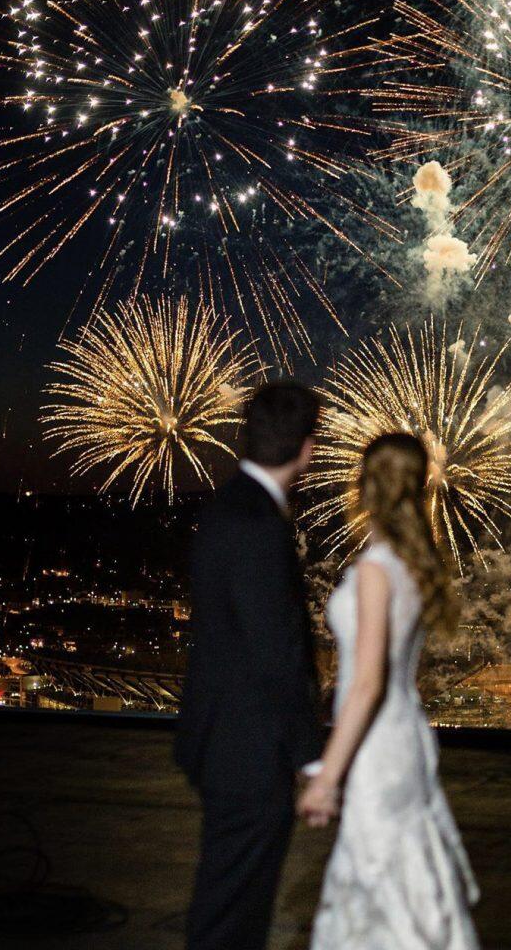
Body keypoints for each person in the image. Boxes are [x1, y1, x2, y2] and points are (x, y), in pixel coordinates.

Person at [298, 432, 480, 948]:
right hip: (408, 737)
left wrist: (326, 776)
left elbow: (366, 684)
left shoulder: (378, 571)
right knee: (402, 876)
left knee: (376, 875)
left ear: (368, 486)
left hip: (378, 744)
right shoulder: (414, 565)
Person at [175, 380, 329, 950]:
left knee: (225, 901)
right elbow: (277, 651)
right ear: (308, 449)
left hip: (219, 737)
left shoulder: (225, 505)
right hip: (248, 749)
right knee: (235, 912)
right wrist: (310, 759)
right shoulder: (259, 524)